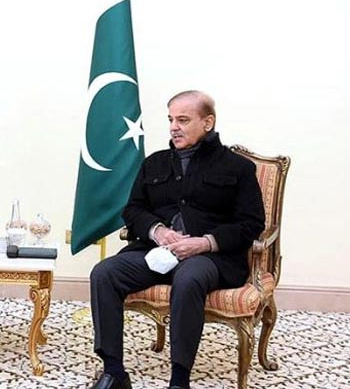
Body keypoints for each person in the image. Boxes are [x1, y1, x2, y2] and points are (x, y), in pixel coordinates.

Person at [88, 91, 265, 389]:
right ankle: (114, 372)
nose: (174, 127)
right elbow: (133, 210)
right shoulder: (154, 163)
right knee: (104, 273)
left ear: (207, 122)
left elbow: (251, 223)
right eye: (171, 119)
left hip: (210, 258)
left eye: (183, 120)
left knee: (189, 277)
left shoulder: (238, 168)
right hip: (157, 252)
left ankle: (179, 380)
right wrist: (157, 231)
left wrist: (205, 242)